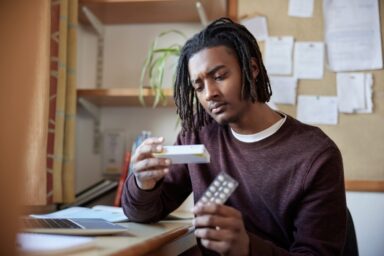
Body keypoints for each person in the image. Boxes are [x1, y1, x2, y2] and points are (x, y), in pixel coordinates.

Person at [122, 18, 347, 255]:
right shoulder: (197, 135)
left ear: (252, 69)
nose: (210, 94)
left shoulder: (315, 155)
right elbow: (143, 213)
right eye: (198, 86)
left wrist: (248, 249)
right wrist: (143, 184)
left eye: (219, 76)